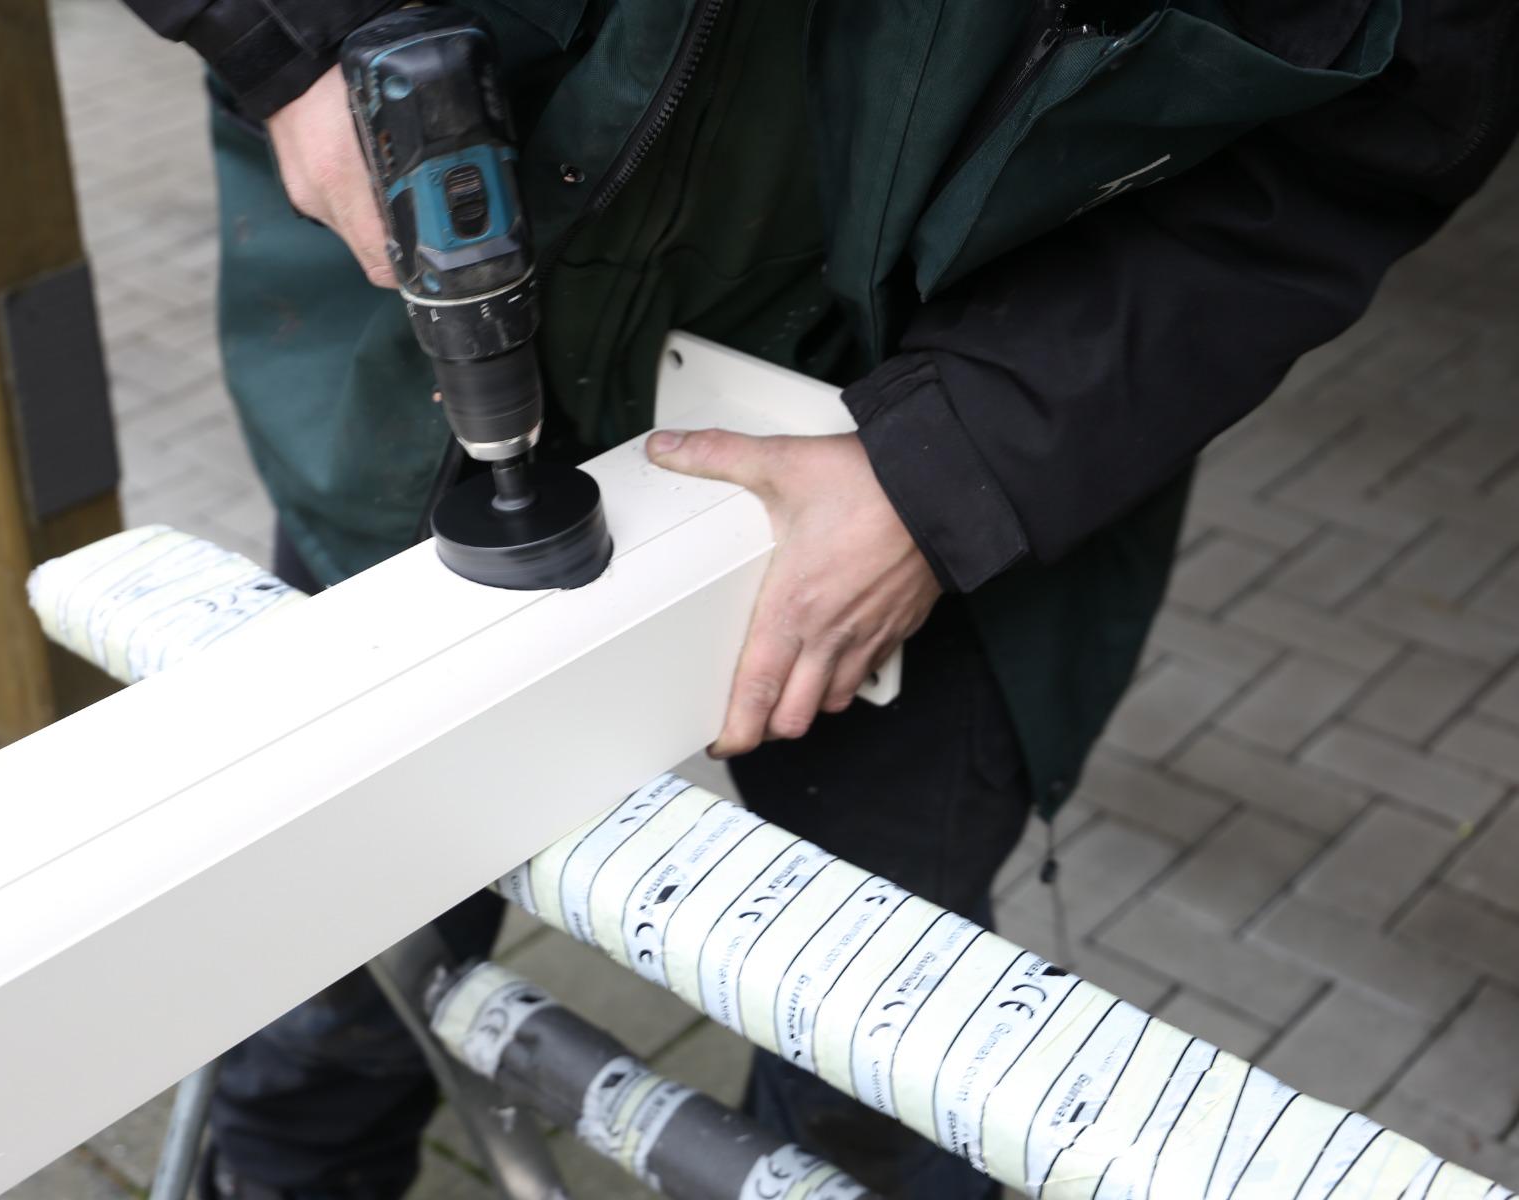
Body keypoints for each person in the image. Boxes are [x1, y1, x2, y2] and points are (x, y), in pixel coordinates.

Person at [120, 1, 1518, 1197]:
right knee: (338, 952)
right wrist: (292, 45)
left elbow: (1375, 141)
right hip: (440, 327)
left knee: (874, 1043)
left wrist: (953, 462)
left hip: (958, 401)